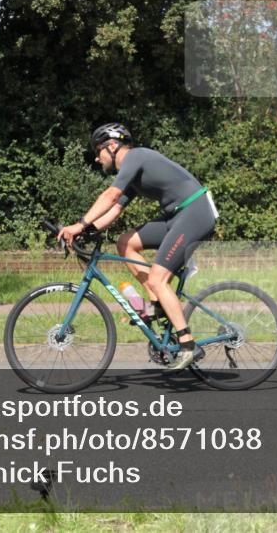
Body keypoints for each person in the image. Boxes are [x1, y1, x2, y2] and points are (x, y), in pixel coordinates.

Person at [57, 123, 219, 371]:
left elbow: (110, 196)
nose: (96, 157)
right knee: (126, 242)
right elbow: (114, 210)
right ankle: (157, 303)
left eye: (97, 150)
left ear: (112, 146)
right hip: (177, 216)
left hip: (194, 212)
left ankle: (188, 345)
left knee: (157, 277)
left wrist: (79, 224)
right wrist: (87, 231)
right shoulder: (131, 174)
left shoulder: (135, 157)